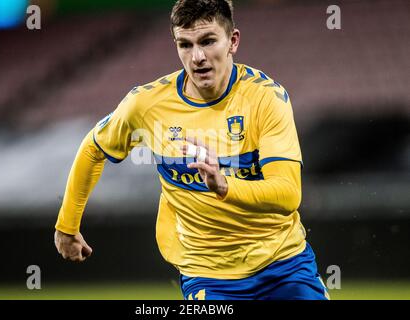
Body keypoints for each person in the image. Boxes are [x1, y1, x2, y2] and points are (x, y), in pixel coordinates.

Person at [54, 0, 329, 300]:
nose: (197, 57)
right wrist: (67, 225)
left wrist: (225, 186)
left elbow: (288, 194)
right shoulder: (146, 105)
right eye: (185, 45)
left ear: (232, 41)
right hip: (208, 276)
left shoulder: (266, 99)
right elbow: (93, 148)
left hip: (284, 265)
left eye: (208, 41)